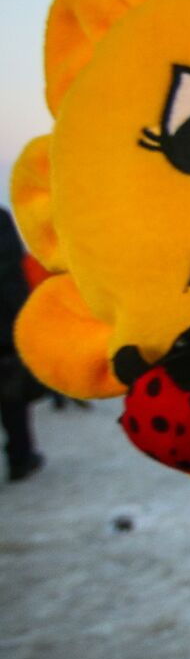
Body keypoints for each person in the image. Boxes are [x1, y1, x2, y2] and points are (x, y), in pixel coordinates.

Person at [0, 206, 43, 481]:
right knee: (12, 401)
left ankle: (21, 457)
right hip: (5, 331)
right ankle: (20, 458)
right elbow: (13, 275)